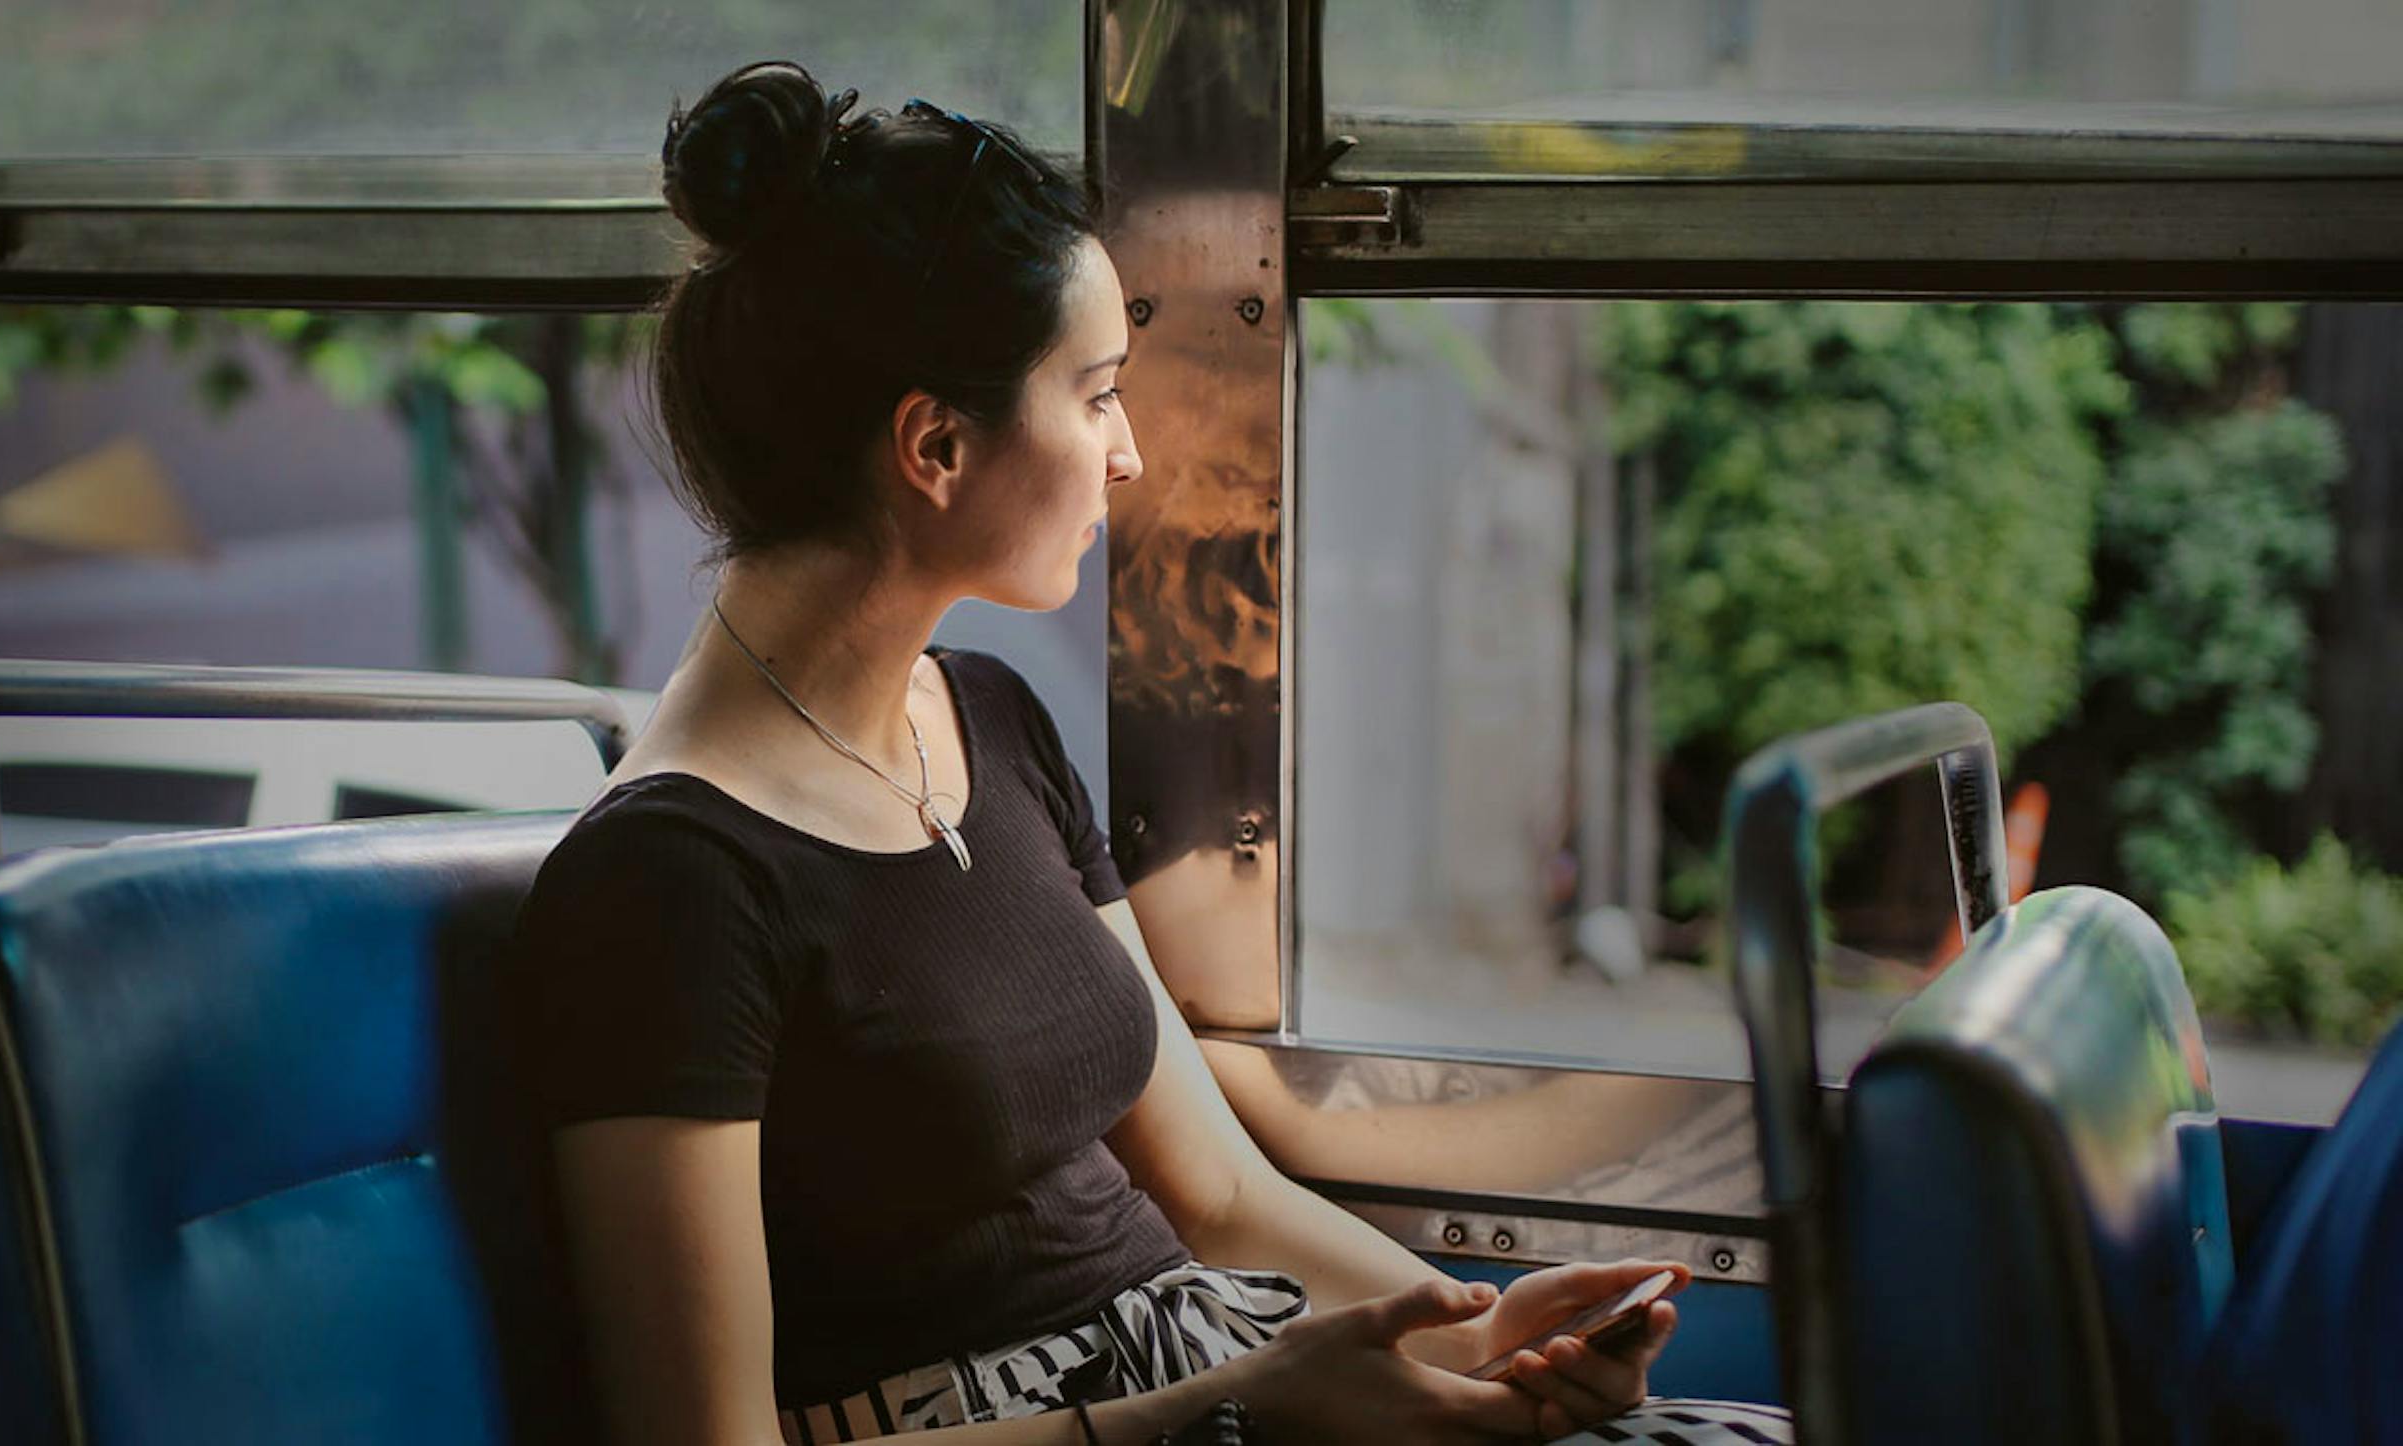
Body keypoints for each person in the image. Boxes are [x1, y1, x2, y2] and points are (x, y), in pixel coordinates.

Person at [505, 60, 1791, 1446]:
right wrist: (1233, 1400)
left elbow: (1219, 1195)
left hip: (1224, 1382)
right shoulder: (667, 888)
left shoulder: (990, 718)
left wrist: (1472, 1343)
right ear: (935, 443)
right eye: (1099, 391)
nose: (1128, 454)